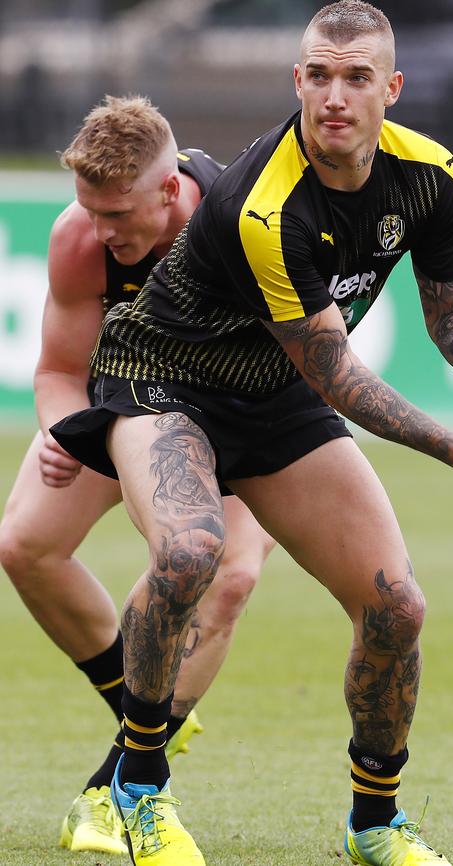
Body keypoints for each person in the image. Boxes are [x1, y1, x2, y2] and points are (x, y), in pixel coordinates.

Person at [50, 4, 453, 866]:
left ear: (392, 89)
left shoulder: (430, 177)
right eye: (316, 74)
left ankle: (374, 822)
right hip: (163, 380)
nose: (333, 95)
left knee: (395, 605)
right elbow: (335, 375)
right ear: (296, 79)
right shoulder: (266, 206)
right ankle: (134, 793)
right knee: (192, 553)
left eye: (355, 77)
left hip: (269, 392)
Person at [0, 95, 274, 856]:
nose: (103, 231)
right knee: (24, 544)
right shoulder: (80, 239)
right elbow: (59, 368)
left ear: (168, 190)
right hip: (127, 405)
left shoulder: (242, 227)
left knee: (229, 574)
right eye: (91, 210)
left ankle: (112, 786)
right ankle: (148, 711)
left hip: (241, 414)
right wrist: (61, 431)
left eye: (118, 214)